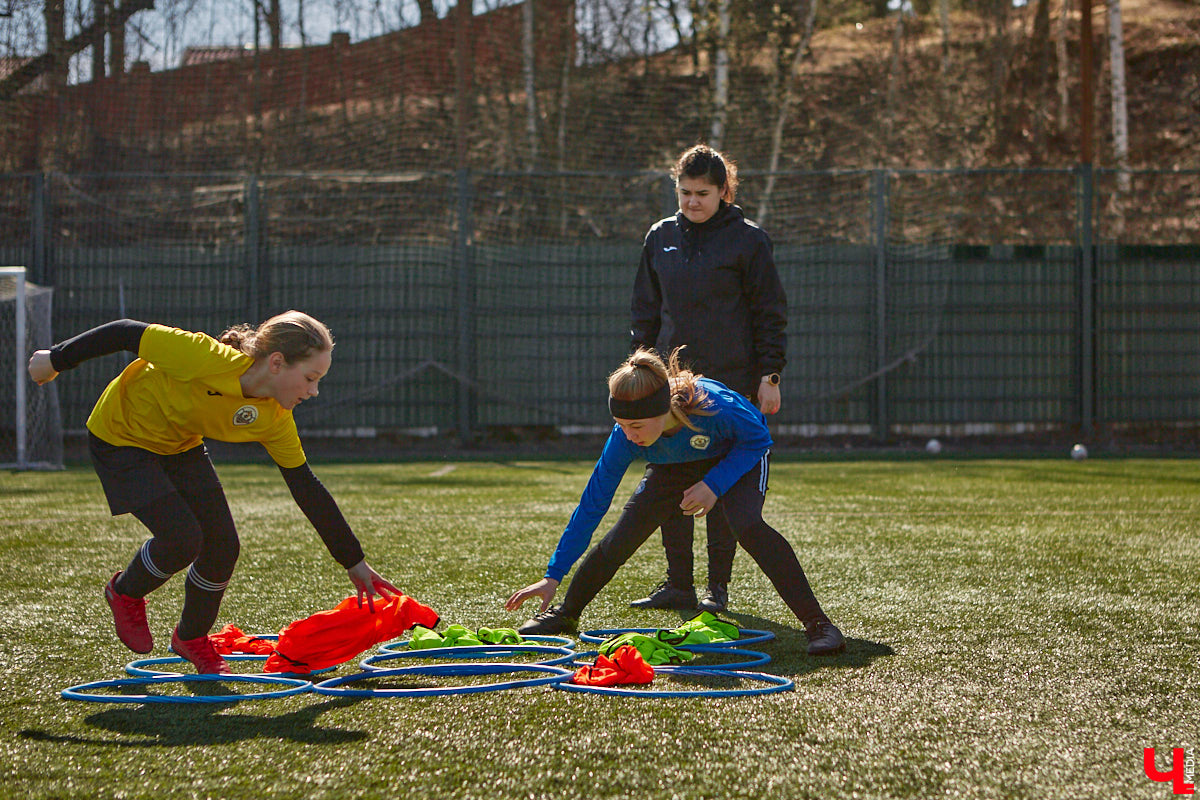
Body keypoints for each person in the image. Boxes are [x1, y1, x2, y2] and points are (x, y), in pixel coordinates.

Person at [27, 312, 399, 674]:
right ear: (276, 362)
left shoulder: (275, 418)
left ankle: (190, 638)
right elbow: (124, 332)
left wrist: (353, 561)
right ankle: (125, 592)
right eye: (310, 378)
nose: (314, 391)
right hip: (121, 437)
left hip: (179, 444)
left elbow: (305, 487)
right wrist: (56, 358)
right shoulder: (204, 356)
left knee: (223, 545)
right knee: (183, 538)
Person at [504, 348, 844, 656]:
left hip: (738, 456)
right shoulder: (625, 436)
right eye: (621, 425)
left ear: (662, 410)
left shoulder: (714, 407)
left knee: (747, 525)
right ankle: (566, 613)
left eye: (635, 425)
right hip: (675, 465)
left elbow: (758, 440)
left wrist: (713, 484)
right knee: (625, 532)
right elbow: (592, 503)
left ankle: (820, 625)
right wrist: (553, 575)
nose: (628, 435)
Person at [628, 143, 787, 614]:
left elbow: (769, 313)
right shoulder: (659, 237)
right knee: (671, 478)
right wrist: (642, 366)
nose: (692, 201)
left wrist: (770, 375)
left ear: (724, 192)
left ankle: (717, 588)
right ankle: (679, 584)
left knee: (723, 485)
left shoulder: (749, 240)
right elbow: (645, 311)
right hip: (672, 389)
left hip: (734, 384)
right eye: (684, 192)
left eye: (702, 193)